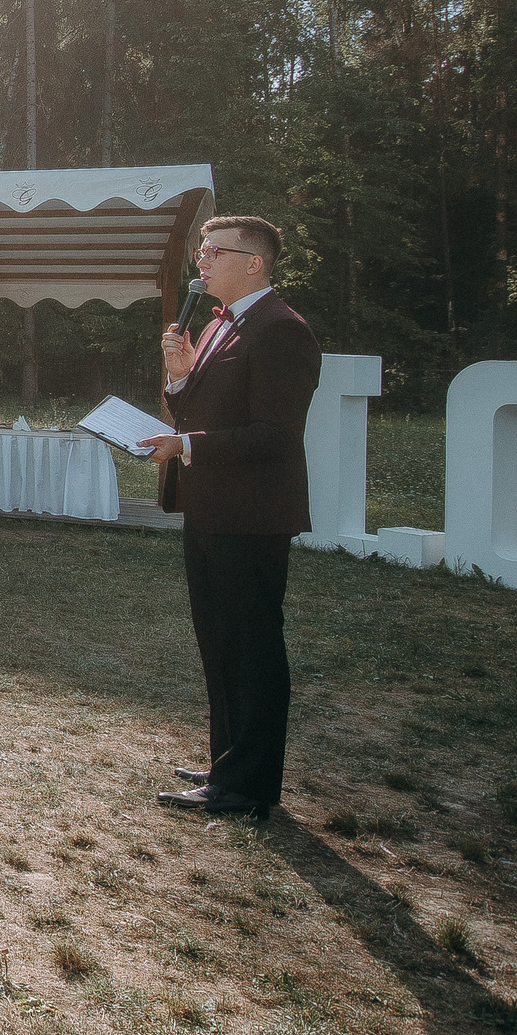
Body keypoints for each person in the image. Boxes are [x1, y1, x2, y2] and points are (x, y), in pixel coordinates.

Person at [140, 215, 321, 819]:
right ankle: (227, 762)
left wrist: (186, 446)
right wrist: (180, 371)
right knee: (218, 642)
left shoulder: (281, 331)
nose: (202, 260)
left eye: (215, 251)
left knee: (251, 647)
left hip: (252, 517)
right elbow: (195, 405)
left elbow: (273, 435)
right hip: (211, 509)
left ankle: (248, 787)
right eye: (201, 250)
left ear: (255, 263)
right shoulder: (220, 325)